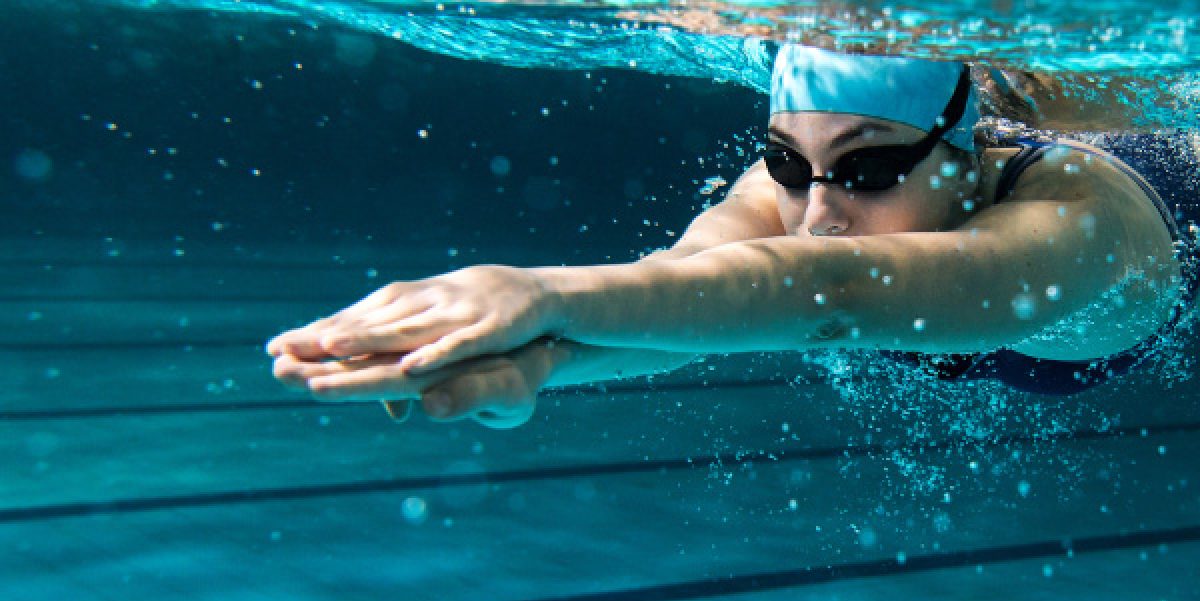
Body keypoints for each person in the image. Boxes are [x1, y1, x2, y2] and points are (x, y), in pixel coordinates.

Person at [267, 45, 1199, 428]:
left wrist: (540, 293)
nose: (819, 215)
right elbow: (681, 294)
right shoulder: (799, 193)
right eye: (790, 165)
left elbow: (834, 297)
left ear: (966, 158)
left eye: (871, 170)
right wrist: (539, 363)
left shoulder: (1081, 228)